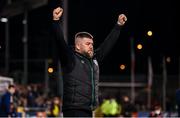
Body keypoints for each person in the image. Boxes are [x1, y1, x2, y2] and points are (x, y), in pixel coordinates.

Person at [52, 6, 127, 117]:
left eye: (92, 44)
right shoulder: (70, 58)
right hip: (74, 110)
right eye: (87, 44)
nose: (91, 46)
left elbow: (107, 44)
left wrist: (118, 26)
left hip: (88, 109)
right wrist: (56, 21)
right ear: (77, 46)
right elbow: (60, 41)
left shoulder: (93, 60)